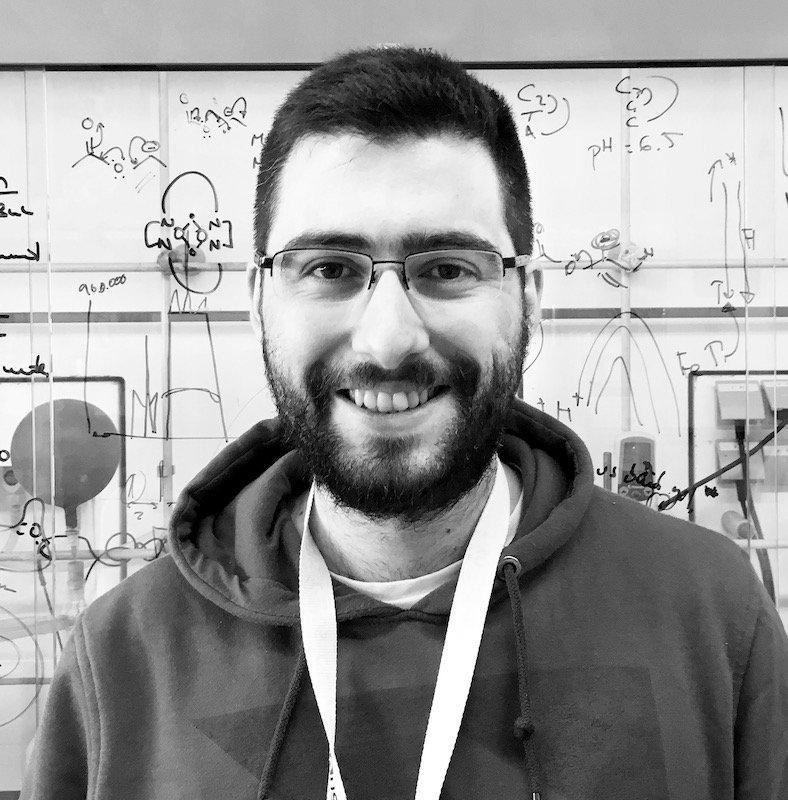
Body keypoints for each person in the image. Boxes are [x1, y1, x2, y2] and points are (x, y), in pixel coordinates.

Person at [22, 46, 788, 800]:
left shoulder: (712, 616)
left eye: (448, 267)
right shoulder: (122, 659)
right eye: (329, 267)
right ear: (258, 302)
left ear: (528, 301)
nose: (388, 339)